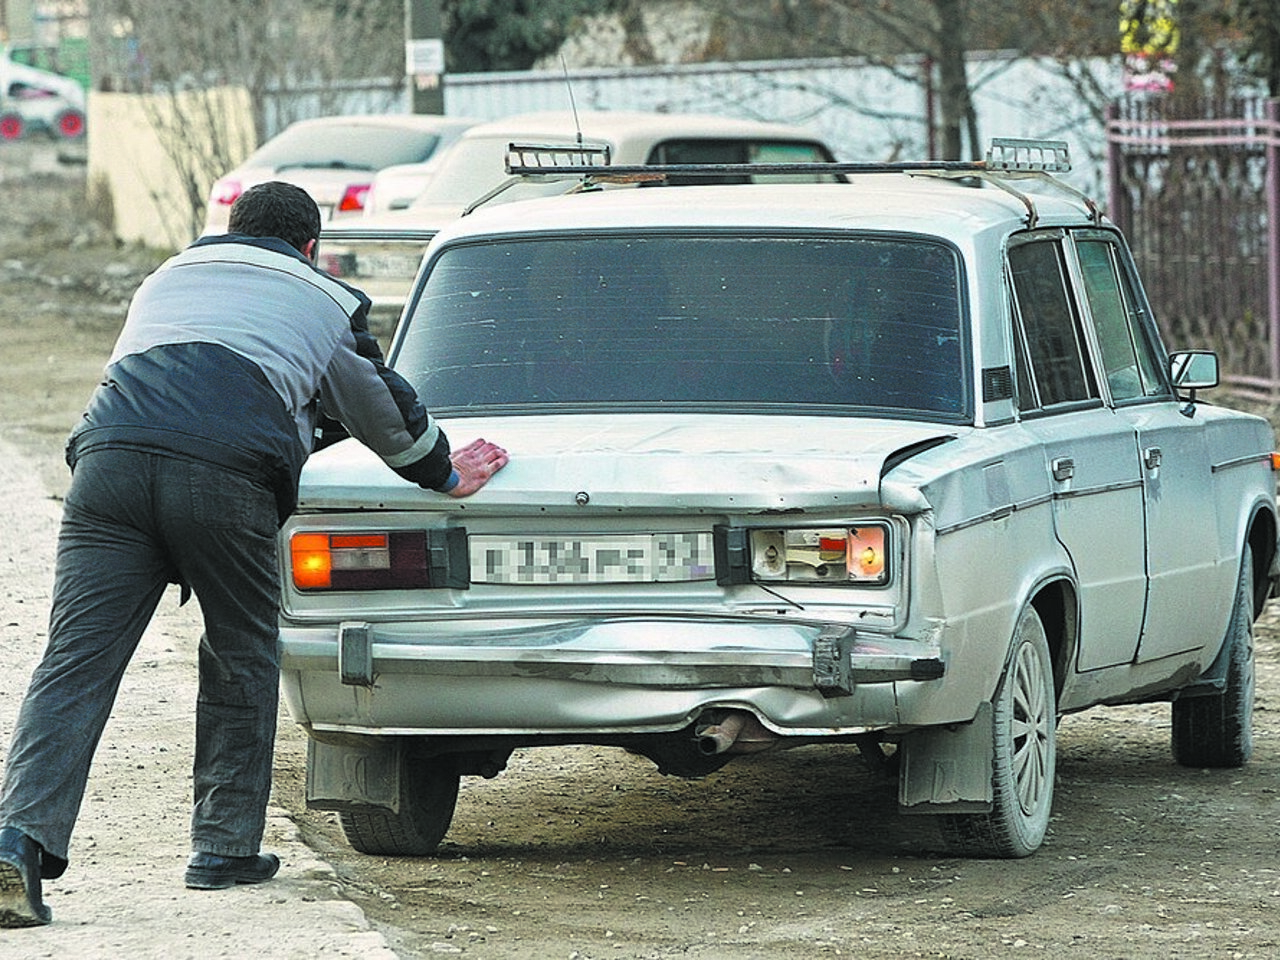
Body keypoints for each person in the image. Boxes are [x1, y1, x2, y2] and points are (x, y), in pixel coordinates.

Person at [0, 181, 508, 927]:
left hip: (107, 461)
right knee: (240, 651)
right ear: (310, 248)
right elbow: (378, 406)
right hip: (221, 471)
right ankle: (223, 847)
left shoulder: (167, 276)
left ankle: (17, 843)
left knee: (75, 661)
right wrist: (441, 469)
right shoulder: (316, 293)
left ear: (231, 229)